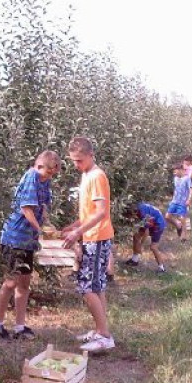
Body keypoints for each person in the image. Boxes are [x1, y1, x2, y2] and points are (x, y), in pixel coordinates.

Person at [0, 150, 61, 340]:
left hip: (28, 239)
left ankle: (19, 327)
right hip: (15, 238)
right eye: (48, 173)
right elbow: (27, 209)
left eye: (53, 174)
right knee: (10, 281)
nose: (50, 177)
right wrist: (40, 229)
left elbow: (43, 207)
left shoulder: (44, 180)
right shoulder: (31, 177)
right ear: (39, 166)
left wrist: (47, 224)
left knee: (24, 283)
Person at [62, 136, 115, 352]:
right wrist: (73, 225)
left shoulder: (96, 176)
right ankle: (101, 330)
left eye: (80, 160)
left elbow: (101, 212)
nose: (76, 165)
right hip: (93, 236)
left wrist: (77, 233)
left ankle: (104, 336)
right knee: (97, 286)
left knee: (87, 288)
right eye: (73, 161)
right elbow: (90, 213)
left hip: (98, 238)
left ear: (91, 155)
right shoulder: (87, 175)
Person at [122, 202, 167, 272]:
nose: (130, 218)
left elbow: (146, 232)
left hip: (158, 224)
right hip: (153, 221)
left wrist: (141, 244)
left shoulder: (143, 214)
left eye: (129, 216)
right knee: (136, 236)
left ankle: (161, 268)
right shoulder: (137, 208)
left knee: (153, 247)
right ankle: (135, 260)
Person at [164, 162, 192, 242]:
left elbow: (191, 189)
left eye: (175, 171)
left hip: (182, 202)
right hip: (174, 201)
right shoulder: (175, 178)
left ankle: (184, 236)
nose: (174, 173)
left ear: (180, 170)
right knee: (167, 216)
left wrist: (189, 199)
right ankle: (177, 224)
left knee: (182, 218)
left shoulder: (187, 179)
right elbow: (176, 189)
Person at [181, 155, 192, 235]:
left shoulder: (191, 167)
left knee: (185, 207)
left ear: (190, 161)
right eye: (184, 160)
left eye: (186, 160)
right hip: (181, 190)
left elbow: (189, 177)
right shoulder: (183, 166)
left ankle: (187, 226)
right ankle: (183, 225)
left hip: (187, 190)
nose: (184, 162)